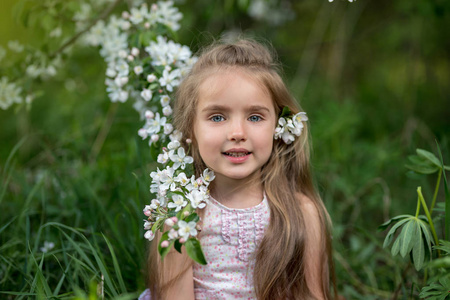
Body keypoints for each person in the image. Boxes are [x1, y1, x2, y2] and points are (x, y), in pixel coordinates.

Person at [141, 39, 336, 300]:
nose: (237, 133)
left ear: (279, 127)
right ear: (190, 130)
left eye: (255, 117)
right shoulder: (181, 218)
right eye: (217, 117)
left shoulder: (300, 212)